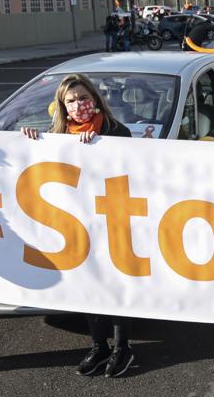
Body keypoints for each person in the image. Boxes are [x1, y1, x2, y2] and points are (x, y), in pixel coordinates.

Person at [21, 75, 137, 378]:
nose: (78, 106)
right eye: (70, 101)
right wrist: (33, 142)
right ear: (62, 106)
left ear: (95, 99)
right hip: (76, 227)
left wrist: (98, 148)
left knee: (113, 286)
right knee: (88, 288)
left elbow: (133, 172)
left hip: (112, 222)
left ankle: (121, 347)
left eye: (83, 98)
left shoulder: (116, 131)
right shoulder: (57, 134)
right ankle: (99, 345)